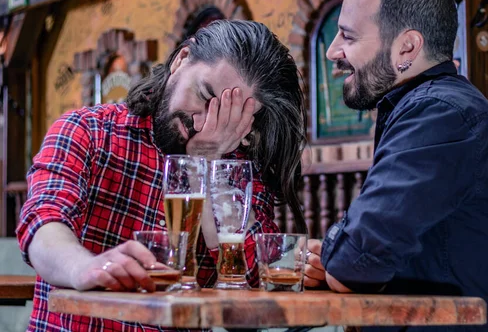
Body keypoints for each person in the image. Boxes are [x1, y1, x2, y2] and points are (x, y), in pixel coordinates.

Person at [303, 0, 488, 331]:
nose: (332, 51)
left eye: (348, 37)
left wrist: (340, 254)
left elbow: (353, 264)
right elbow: (362, 262)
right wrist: (343, 258)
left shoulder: (437, 113)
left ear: (407, 46)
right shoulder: (429, 107)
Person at [17, 20, 307, 331]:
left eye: (226, 115)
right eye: (204, 95)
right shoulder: (88, 131)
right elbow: (44, 224)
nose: (203, 123)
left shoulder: (239, 172)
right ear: (182, 60)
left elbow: (252, 286)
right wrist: (84, 267)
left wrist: (207, 164)